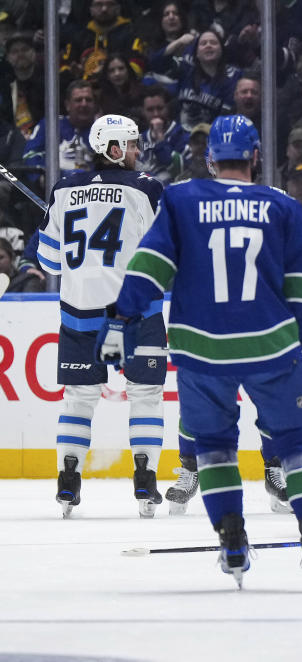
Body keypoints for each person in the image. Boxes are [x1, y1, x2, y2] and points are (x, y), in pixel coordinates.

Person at [95, 115, 302, 589]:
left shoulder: (182, 200)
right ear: (255, 157)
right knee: (296, 444)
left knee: (213, 448)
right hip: (270, 346)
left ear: (210, 158)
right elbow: (301, 288)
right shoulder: (285, 206)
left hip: (200, 349)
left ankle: (232, 540)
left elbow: (150, 267)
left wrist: (118, 319)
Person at [36, 114, 166, 518]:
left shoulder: (63, 189)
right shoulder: (146, 189)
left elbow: (48, 260)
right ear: (112, 147)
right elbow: (163, 251)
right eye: (129, 144)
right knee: (145, 394)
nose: (136, 151)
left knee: (78, 399)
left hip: (78, 313)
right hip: (135, 312)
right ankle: (145, 480)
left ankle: (67, 480)